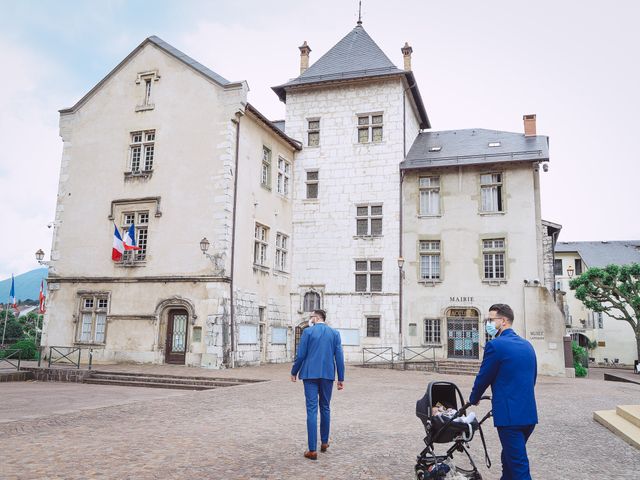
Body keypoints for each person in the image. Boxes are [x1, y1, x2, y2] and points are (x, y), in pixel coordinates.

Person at [469, 304, 538, 480]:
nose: (488, 323)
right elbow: (532, 379)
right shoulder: (527, 345)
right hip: (528, 415)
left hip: (509, 417)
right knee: (508, 458)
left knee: (518, 465)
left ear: (504, 321)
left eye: (491, 320)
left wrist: (474, 398)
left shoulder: (495, 346)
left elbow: (484, 376)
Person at [290, 309, 345, 460]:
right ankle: (325, 442)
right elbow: (339, 356)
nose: (310, 319)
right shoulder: (334, 333)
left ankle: (312, 450)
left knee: (312, 410)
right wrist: (341, 378)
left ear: (317, 317)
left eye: (311, 316)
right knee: (325, 407)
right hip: (327, 375)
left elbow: (301, 355)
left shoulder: (308, 332)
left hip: (309, 374)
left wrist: (294, 371)